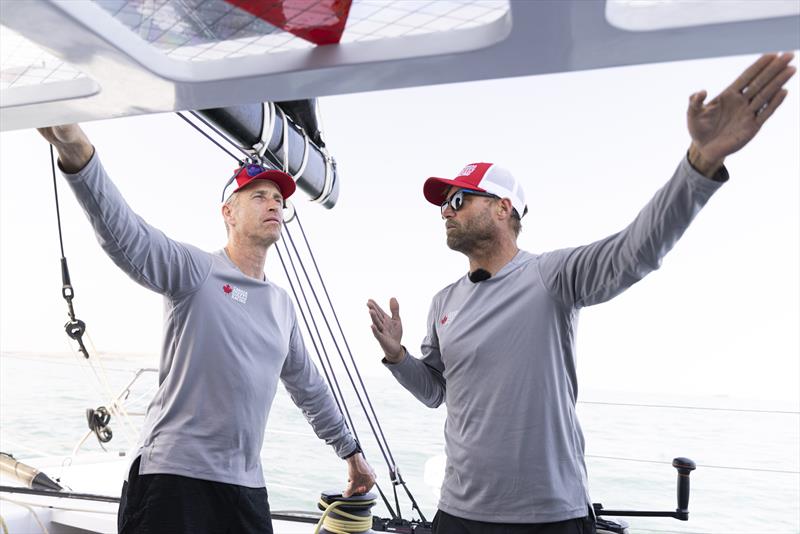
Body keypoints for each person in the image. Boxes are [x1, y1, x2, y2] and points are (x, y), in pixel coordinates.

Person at [367, 53, 796, 533]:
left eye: (459, 199)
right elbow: (436, 392)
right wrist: (398, 355)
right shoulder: (443, 302)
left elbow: (636, 250)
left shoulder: (552, 276)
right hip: (459, 515)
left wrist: (701, 163)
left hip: (549, 516)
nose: (446, 211)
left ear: (504, 207)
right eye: (444, 204)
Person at [37, 124, 376, 534]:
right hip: (174, 479)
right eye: (259, 196)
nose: (274, 204)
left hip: (245, 487)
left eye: (278, 199)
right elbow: (126, 236)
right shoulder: (197, 271)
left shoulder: (282, 306)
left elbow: (310, 389)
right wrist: (79, 156)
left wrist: (351, 453)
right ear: (228, 213)